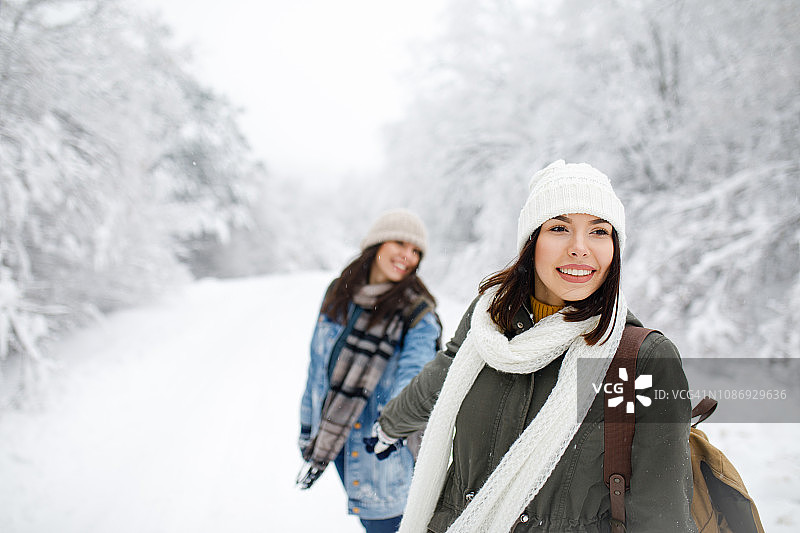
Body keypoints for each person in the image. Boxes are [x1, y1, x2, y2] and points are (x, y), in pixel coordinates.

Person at [368, 161, 697, 532]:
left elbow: (661, 512)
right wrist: (388, 426)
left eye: (598, 231)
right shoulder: (489, 323)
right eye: (559, 228)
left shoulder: (637, 360)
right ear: (532, 241)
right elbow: (441, 378)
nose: (580, 248)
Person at [298, 208, 442, 533]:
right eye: (400, 243)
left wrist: (393, 421)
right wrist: (308, 427)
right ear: (377, 243)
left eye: (416, 251)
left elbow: (415, 385)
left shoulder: (418, 315)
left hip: (383, 450)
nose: (408, 256)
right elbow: (317, 370)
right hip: (335, 437)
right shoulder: (339, 294)